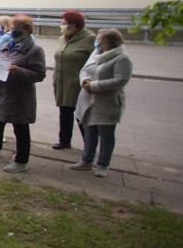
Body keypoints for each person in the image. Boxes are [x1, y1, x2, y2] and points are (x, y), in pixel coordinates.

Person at [0, 14, 47, 173]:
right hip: (1, 91)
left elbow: (39, 74)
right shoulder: (7, 44)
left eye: (17, 29)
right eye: (12, 28)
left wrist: (19, 71)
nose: (13, 31)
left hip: (19, 95)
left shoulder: (35, 50)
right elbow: (0, 62)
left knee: (20, 128)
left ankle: (21, 161)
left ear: (27, 30)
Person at [71, 29, 133, 177]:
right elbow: (83, 71)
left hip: (107, 103)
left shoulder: (122, 58)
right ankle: (87, 159)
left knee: (106, 134)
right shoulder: (96, 53)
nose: (96, 42)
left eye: (99, 40)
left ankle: (103, 164)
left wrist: (94, 86)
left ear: (108, 42)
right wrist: (84, 81)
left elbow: (120, 80)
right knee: (89, 131)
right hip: (87, 100)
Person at [52, 11, 96, 150]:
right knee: (65, 112)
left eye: (64, 23)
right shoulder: (62, 38)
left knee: (81, 116)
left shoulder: (89, 39)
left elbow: (97, 61)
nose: (62, 25)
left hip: (80, 84)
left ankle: (89, 148)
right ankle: (64, 140)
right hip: (62, 83)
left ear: (73, 25)